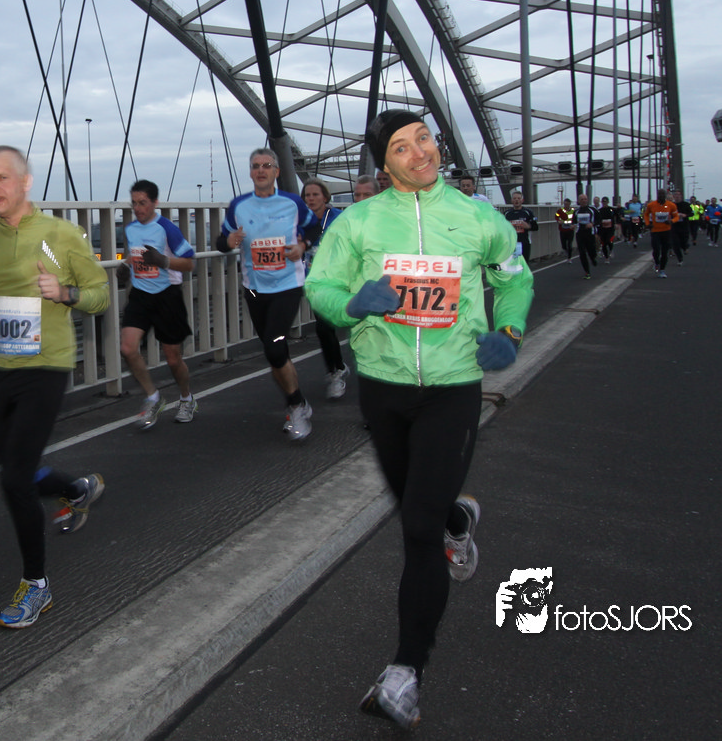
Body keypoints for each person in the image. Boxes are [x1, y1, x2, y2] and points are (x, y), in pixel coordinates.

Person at [305, 109, 533, 729]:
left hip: (453, 387)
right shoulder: (357, 223)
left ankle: (406, 672)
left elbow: (515, 280)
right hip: (384, 387)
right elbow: (320, 288)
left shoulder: (477, 216)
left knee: (418, 527)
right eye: (402, 147)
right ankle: (460, 518)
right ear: (385, 164)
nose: (420, 152)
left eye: (425, 139)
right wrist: (353, 304)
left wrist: (510, 330)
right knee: (419, 508)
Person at [0, 146, 109, 628]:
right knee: (15, 468)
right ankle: (76, 488)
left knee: (15, 478)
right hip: (4, 366)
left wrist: (64, 293)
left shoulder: (61, 234)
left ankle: (36, 585)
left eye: (1, 178)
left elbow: (100, 295)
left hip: (48, 366)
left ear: (25, 182)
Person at [215, 148, 315, 440]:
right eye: (256, 166)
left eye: (267, 165)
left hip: (287, 285)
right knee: (276, 353)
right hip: (256, 289)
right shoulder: (238, 205)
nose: (261, 170)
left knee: (274, 346)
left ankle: (296, 406)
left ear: (276, 172)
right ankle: (298, 402)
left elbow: (314, 228)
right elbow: (221, 241)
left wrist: (303, 246)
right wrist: (229, 241)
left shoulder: (293, 202)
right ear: (250, 172)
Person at [120, 179, 198, 429]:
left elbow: (190, 263)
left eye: (143, 203)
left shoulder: (167, 229)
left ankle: (186, 398)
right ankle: (153, 397)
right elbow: (135, 254)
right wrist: (125, 266)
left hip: (167, 295)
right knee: (128, 348)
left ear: (155, 202)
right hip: (140, 294)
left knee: (173, 359)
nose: (138, 208)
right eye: (134, 203)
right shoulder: (131, 229)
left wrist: (163, 261)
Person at [301, 178, 350, 400]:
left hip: (338, 279)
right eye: (307, 195)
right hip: (314, 281)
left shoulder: (339, 218)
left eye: (315, 195)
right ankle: (336, 369)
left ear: (325, 197)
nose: (311, 199)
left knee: (327, 326)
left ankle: (337, 370)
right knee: (323, 327)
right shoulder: (301, 221)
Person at [644, 187, 678, 277]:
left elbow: (676, 216)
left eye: (663, 194)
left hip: (666, 231)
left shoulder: (671, 205)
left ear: (665, 195)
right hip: (655, 231)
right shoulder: (651, 205)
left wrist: (671, 221)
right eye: (659, 194)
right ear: (657, 195)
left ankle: (662, 270)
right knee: (656, 250)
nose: (661, 196)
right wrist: (647, 223)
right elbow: (646, 214)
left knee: (664, 251)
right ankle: (657, 262)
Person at [502, 190, 538, 261]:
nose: (516, 200)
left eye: (518, 198)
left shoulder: (528, 212)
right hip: (511, 243)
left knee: (524, 263)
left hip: (524, 242)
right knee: (512, 264)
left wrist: (528, 226)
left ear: (522, 200)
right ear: (511, 200)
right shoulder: (507, 213)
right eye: (514, 198)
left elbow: (536, 227)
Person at [670, 190, 690, 266]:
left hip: (684, 226)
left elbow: (691, 213)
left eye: (678, 195)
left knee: (683, 241)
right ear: (674, 197)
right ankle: (680, 259)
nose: (677, 196)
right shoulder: (671, 205)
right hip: (674, 226)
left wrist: (685, 215)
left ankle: (685, 247)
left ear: (681, 196)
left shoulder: (686, 204)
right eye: (676, 195)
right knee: (675, 243)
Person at [594, 196, 616, 264]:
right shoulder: (600, 211)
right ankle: (606, 258)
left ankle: (611, 249)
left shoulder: (611, 210)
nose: (604, 203)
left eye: (606, 202)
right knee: (603, 243)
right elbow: (597, 220)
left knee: (609, 241)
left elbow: (616, 216)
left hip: (610, 229)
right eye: (603, 202)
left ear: (608, 202)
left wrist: (616, 223)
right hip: (602, 229)